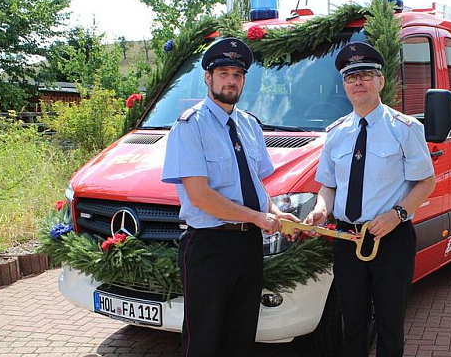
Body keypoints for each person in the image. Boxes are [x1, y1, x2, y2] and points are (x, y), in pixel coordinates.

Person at [161, 37, 298, 357]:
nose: (231, 80)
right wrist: (256, 217)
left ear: (244, 80)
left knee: (241, 335)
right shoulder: (189, 126)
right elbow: (200, 196)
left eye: (237, 74)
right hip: (209, 247)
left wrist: (276, 212)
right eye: (223, 73)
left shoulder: (250, 125)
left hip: (248, 246)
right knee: (204, 339)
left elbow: (256, 185)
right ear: (207, 78)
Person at [304, 41, 436, 357]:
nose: (358, 82)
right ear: (344, 85)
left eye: (365, 74)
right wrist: (321, 210)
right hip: (348, 238)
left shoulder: (405, 129)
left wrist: (398, 214)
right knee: (353, 322)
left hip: (391, 239)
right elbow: (329, 187)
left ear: (380, 81)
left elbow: (426, 182)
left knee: (390, 324)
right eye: (351, 77)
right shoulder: (336, 133)